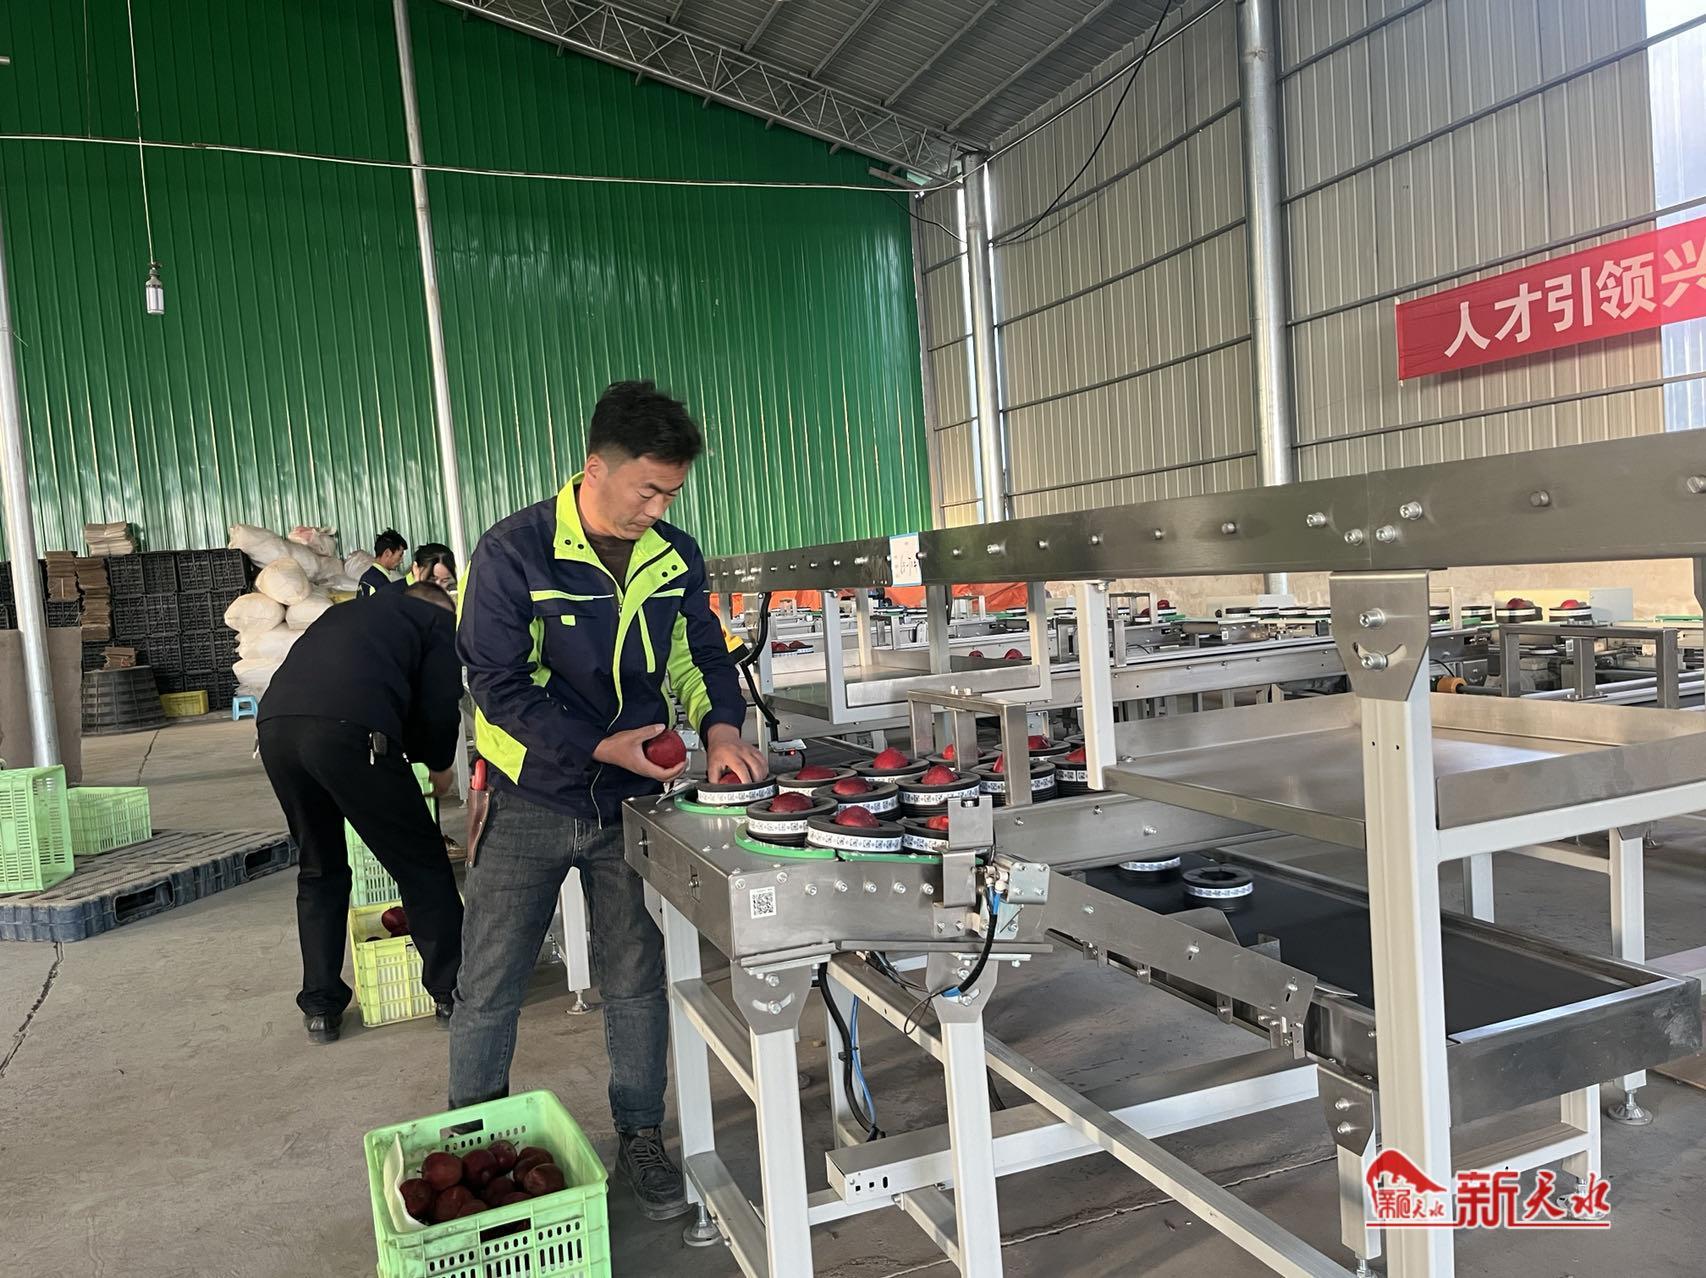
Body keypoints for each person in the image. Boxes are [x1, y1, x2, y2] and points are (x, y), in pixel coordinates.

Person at [452, 379, 764, 1220]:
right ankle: (470, 1152)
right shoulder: (514, 552)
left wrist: (720, 729)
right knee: (490, 980)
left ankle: (639, 1133)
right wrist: (596, 744)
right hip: (530, 796)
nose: (657, 510)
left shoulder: (674, 554)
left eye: (671, 495)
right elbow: (497, 684)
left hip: (633, 798)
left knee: (634, 975)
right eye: (646, 490)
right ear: (596, 468)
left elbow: (699, 654)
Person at [257, 582, 466, 1044]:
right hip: (349, 733)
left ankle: (321, 1006)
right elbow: (437, 703)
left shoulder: (348, 613)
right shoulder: (436, 622)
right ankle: (451, 991)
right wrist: (437, 764)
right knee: (421, 865)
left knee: (319, 868)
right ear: (441, 609)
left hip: (275, 731)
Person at [358, 529, 408, 598]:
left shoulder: (368, 576)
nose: (401, 561)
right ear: (387, 553)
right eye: (400, 555)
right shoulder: (379, 583)